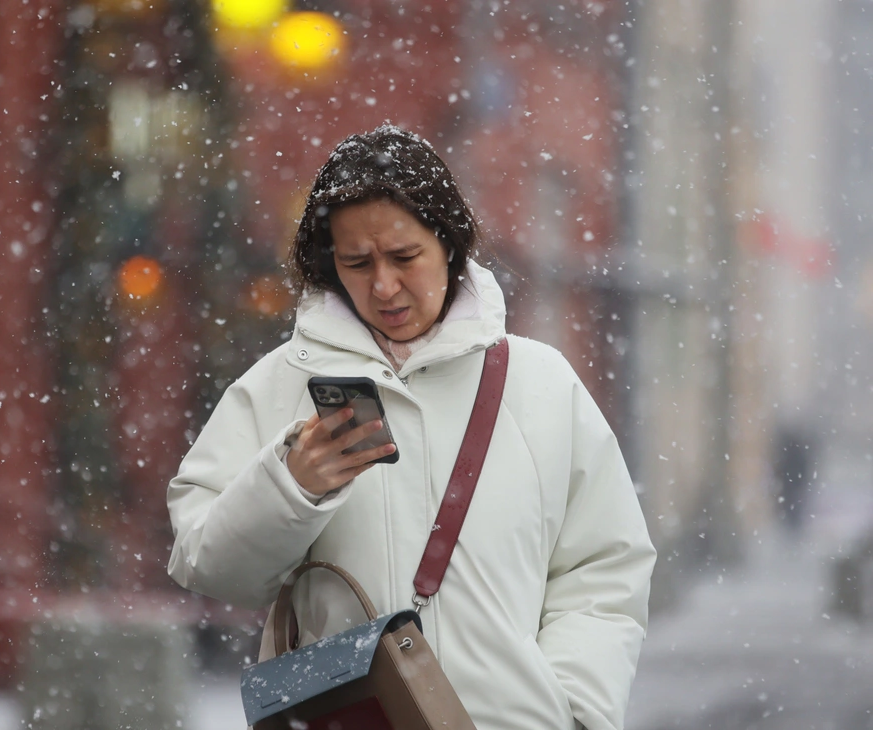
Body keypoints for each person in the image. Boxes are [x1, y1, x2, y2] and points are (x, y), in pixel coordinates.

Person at [166, 124, 656, 730]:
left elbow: (602, 570)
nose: (384, 286)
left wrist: (573, 708)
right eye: (357, 262)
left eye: (404, 257)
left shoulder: (541, 385)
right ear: (329, 266)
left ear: (448, 244)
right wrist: (290, 487)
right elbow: (206, 564)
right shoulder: (282, 385)